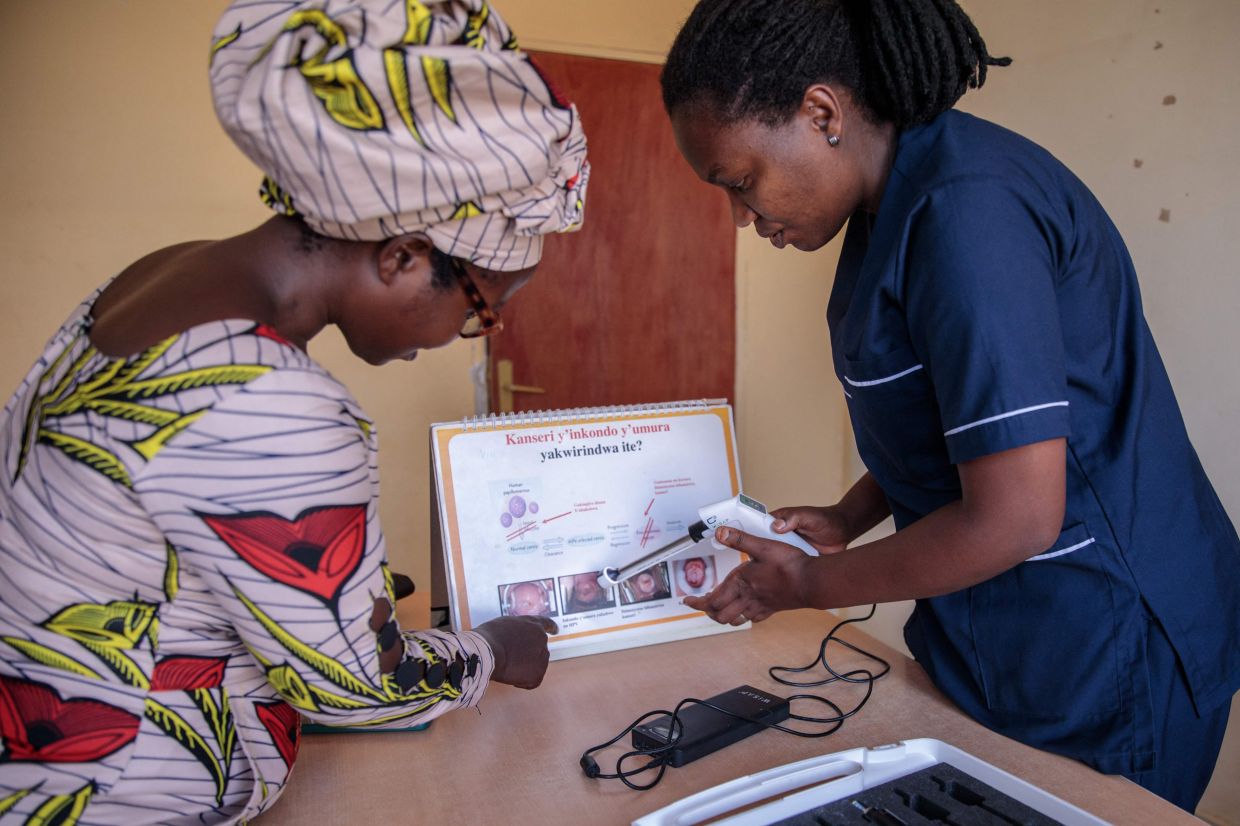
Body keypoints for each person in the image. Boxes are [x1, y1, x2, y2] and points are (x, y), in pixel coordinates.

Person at [0, 1, 588, 823]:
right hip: (117, 792)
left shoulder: (163, 275)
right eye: (478, 309)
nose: (462, 336)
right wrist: (492, 649)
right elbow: (357, 687)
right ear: (404, 257)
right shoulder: (273, 400)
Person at [660, 0, 1240, 812]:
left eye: (741, 182)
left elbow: (1017, 516)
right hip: (1006, 629)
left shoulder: (968, 212)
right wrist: (851, 513)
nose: (741, 217)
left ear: (822, 113)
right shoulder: (887, 209)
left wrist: (808, 584)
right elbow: (962, 414)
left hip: (1105, 640)